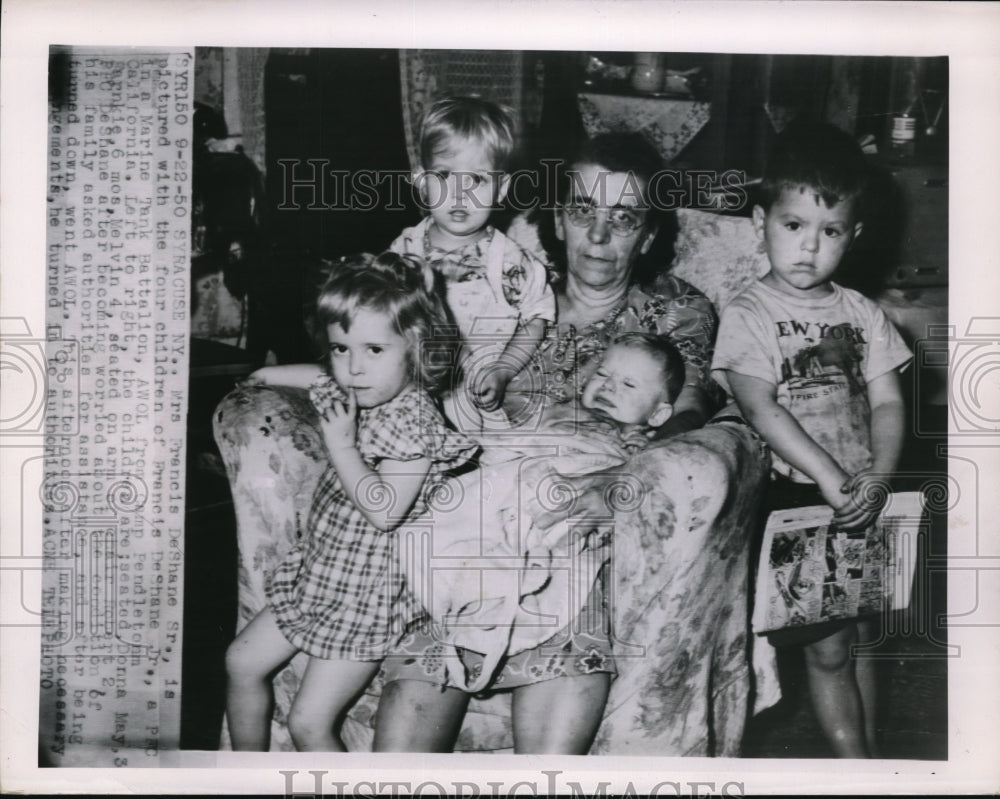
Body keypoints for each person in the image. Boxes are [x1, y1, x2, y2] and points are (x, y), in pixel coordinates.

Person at [373, 132, 722, 754]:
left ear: (647, 234)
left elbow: (689, 408)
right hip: (481, 515)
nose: (598, 236)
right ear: (558, 219)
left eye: (623, 218)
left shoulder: (675, 311)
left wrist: (624, 480)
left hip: (576, 519)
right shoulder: (507, 291)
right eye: (582, 211)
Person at [711, 121, 911, 757]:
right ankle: (855, 768)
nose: (809, 247)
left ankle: (868, 757)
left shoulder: (862, 314)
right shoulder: (749, 313)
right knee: (829, 650)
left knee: (855, 638)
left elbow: (887, 400)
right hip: (792, 495)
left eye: (830, 231)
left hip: (860, 499)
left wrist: (879, 473)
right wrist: (829, 476)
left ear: (854, 236)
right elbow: (760, 406)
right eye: (793, 225)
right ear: (759, 221)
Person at [224, 252, 478, 751]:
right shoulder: (362, 389)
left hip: (367, 596)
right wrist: (263, 376)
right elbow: (319, 379)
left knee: (308, 724)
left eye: (374, 350)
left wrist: (341, 444)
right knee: (239, 663)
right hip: (321, 574)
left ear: (417, 347)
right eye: (341, 348)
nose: (354, 368)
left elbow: (384, 510)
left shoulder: (414, 423)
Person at [403, 332, 685, 693]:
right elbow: (510, 440)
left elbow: (636, 478)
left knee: (566, 524)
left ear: (659, 413)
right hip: (518, 480)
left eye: (628, 384)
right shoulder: (558, 409)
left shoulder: (639, 443)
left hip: (569, 492)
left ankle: (518, 576)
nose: (609, 387)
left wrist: (633, 453)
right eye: (602, 374)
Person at [388, 96, 555, 431]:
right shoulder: (403, 251)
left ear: (502, 188)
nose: (460, 194)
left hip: (475, 406)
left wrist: (504, 369)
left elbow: (536, 319)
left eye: (477, 179)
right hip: (403, 398)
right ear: (421, 181)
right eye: (445, 175)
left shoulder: (511, 262)